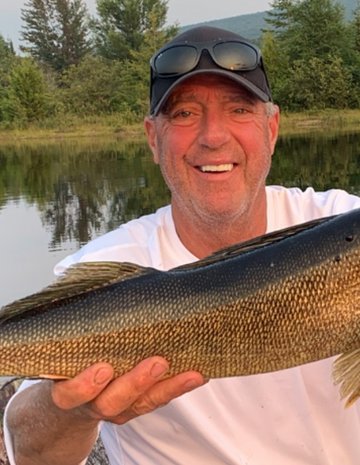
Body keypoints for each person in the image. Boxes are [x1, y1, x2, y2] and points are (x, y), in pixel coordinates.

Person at [4, 25, 360, 465]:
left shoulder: (340, 214)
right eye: (185, 114)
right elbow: (30, 451)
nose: (213, 136)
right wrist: (73, 409)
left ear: (272, 128)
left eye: (239, 110)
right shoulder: (107, 262)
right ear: (153, 138)